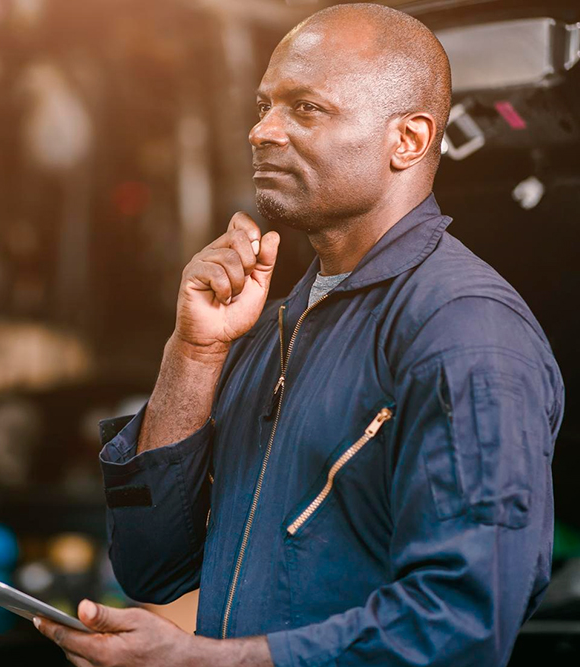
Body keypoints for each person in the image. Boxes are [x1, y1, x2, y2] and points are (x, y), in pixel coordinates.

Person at [34, 3, 565, 666]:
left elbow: (464, 621)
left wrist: (202, 660)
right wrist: (194, 352)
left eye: (306, 109)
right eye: (264, 106)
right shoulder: (275, 327)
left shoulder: (463, 329)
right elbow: (153, 567)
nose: (261, 131)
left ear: (408, 139)